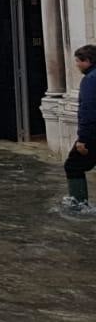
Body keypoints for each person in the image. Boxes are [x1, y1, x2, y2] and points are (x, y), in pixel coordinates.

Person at [64, 45, 96, 206]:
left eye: (78, 61)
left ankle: (78, 206)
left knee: (73, 166)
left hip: (92, 134)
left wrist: (83, 139)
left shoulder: (90, 79)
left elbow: (88, 109)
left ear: (88, 61)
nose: (76, 65)